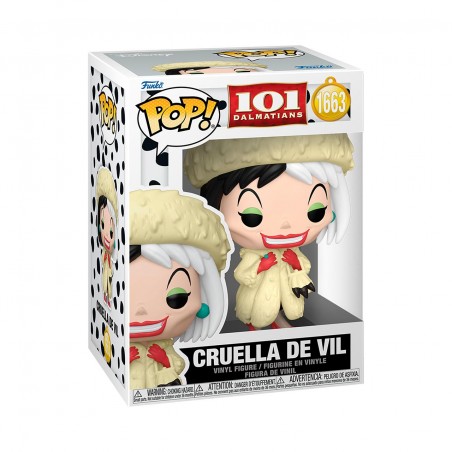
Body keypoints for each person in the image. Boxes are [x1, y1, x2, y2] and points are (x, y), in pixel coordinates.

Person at [184, 134, 354, 329]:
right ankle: (255, 328)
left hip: (284, 294)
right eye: (251, 215)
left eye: (315, 212)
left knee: (281, 308)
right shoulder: (252, 255)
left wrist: (295, 264)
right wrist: (261, 266)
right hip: (257, 297)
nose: (286, 226)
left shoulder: (293, 251)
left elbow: (304, 268)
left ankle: (277, 322)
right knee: (255, 313)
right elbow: (241, 275)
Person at [129, 189, 231, 389]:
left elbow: (178, 364)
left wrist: (163, 360)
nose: (141, 310)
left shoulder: (164, 346)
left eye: (177, 298)